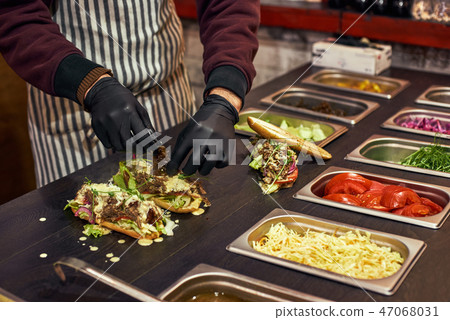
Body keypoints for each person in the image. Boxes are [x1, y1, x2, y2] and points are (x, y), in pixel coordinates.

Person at [0, 0, 259, 187]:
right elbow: (15, 13)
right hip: (71, 109)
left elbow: (228, 4)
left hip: (166, 94)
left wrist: (225, 96)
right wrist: (91, 84)